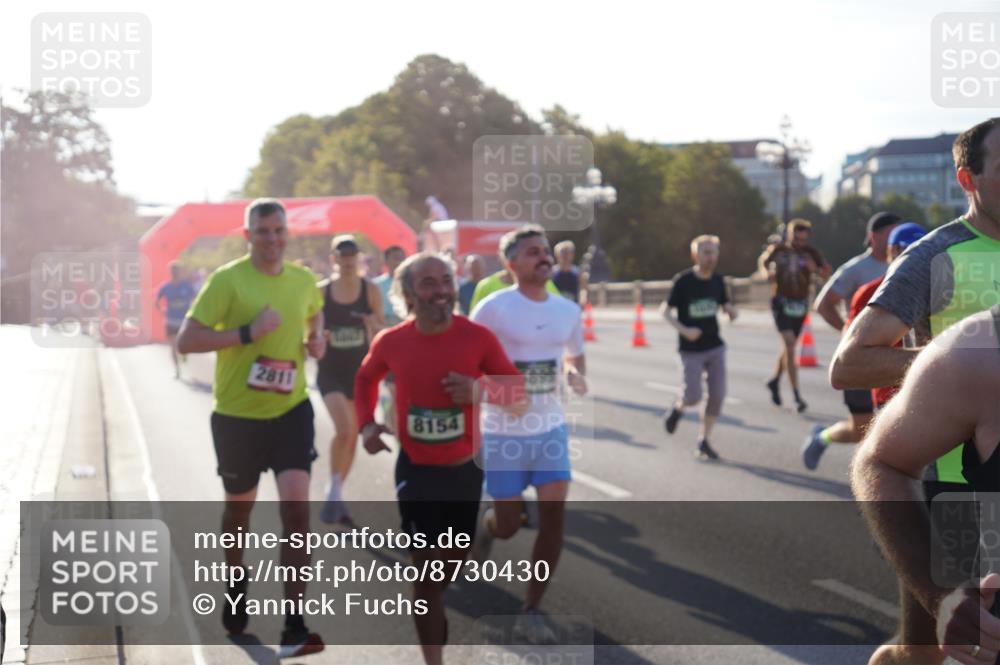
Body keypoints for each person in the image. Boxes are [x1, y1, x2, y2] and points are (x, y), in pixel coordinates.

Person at [831, 118, 1000, 665]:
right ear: (967, 179)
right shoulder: (934, 255)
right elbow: (850, 363)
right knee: (925, 654)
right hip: (948, 486)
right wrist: (951, 369)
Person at [354, 253, 523, 665]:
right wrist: (367, 426)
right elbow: (365, 378)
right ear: (409, 294)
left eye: (446, 280)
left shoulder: (477, 338)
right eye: (428, 283)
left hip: (464, 471)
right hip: (416, 471)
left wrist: (479, 390)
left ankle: (437, 591)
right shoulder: (392, 341)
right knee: (425, 573)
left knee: (448, 564)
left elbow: (518, 394)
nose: (441, 291)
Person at [176, 198, 326, 658]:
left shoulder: (302, 280)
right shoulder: (228, 281)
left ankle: (294, 624)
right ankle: (236, 580)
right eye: (263, 231)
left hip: (291, 411)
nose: (272, 239)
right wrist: (246, 333)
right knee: (238, 513)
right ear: (248, 235)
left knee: (297, 513)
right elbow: (187, 340)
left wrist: (316, 338)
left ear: (287, 233)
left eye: (279, 230)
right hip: (238, 417)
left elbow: (314, 310)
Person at [853, 306, 1000, 665]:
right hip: (943, 487)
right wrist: (939, 594)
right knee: (916, 655)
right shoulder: (979, 353)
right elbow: (882, 461)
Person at [469, 225, 587, 644]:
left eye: (546, 250)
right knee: (509, 524)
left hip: (549, 428)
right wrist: (501, 394)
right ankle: (488, 527)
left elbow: (574, 356)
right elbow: (468, 365)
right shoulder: (493, 308)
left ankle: (531, 609)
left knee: (554, 517)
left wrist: (573, 374)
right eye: (533, 252)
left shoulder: (567, 310)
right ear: (511, 263)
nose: (543, 257)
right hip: (502, 432)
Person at [801, 212, 901, 469]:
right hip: (861, 358)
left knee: (895, 427)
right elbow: (823, 304)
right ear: (873, 237)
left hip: (894, 358)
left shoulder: (908, 264)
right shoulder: (857, 269)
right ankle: (822, 437)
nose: (896, 240)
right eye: (891, 234)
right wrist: (849, 334)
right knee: (861, 429)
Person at [316, 236, 384, 526]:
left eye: (351, 256)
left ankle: (336, 491)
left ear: (358, 259)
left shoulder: (370, 290)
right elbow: (310, 328)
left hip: (358, 372)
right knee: (344, 429)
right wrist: (318, 336)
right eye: (342, 256)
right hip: (330, 370)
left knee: (353, 435)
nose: (347, 261)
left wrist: (372, 325)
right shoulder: (322, 291)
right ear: (334, 259)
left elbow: (381, 328)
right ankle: (333, 490)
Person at [660, 235, 737, 460]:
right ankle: (678, 408)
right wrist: (685, 330)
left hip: (715, 346)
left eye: (714, 252)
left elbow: (726, 305)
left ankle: (704, 440)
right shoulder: (683, 281)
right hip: (690, 349)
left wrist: (731, 312)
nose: (711, 257)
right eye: (706, 252)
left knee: (717, 396)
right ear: (696, 255)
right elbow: (664, 311)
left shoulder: (718, 281)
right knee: (693, 396)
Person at [757, 219, 831, 413]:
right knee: (790, 345)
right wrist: (767, 273)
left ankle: (774, 380)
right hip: (781, 303)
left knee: (789, 347)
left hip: (800, 305)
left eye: (803, 239)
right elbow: (763, 261)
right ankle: (796, 395)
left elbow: (827, 274)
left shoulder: (812, 253)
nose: (799, 243)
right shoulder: (778, 249)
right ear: (789, 235)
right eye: (796, 239)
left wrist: (814, 269)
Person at [155, 262, 196, 379]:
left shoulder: (187, 286)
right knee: (173, 346)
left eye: (176, 271)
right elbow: (156, 301)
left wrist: (193, 311)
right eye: (173, 271)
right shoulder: (166, 287)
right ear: (170, 272)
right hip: (170, 321)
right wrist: (161, 310)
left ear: (180, 272)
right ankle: (177, 370)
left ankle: (185, 354)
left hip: (184, 321)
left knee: (184, 345)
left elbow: (196, 299)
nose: (175, 273)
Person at [373, 245, 407, 327]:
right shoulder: (376, 285)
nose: (399, 262)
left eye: (402, 258)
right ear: (385, 261)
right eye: (396, 258)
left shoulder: (412, 283)